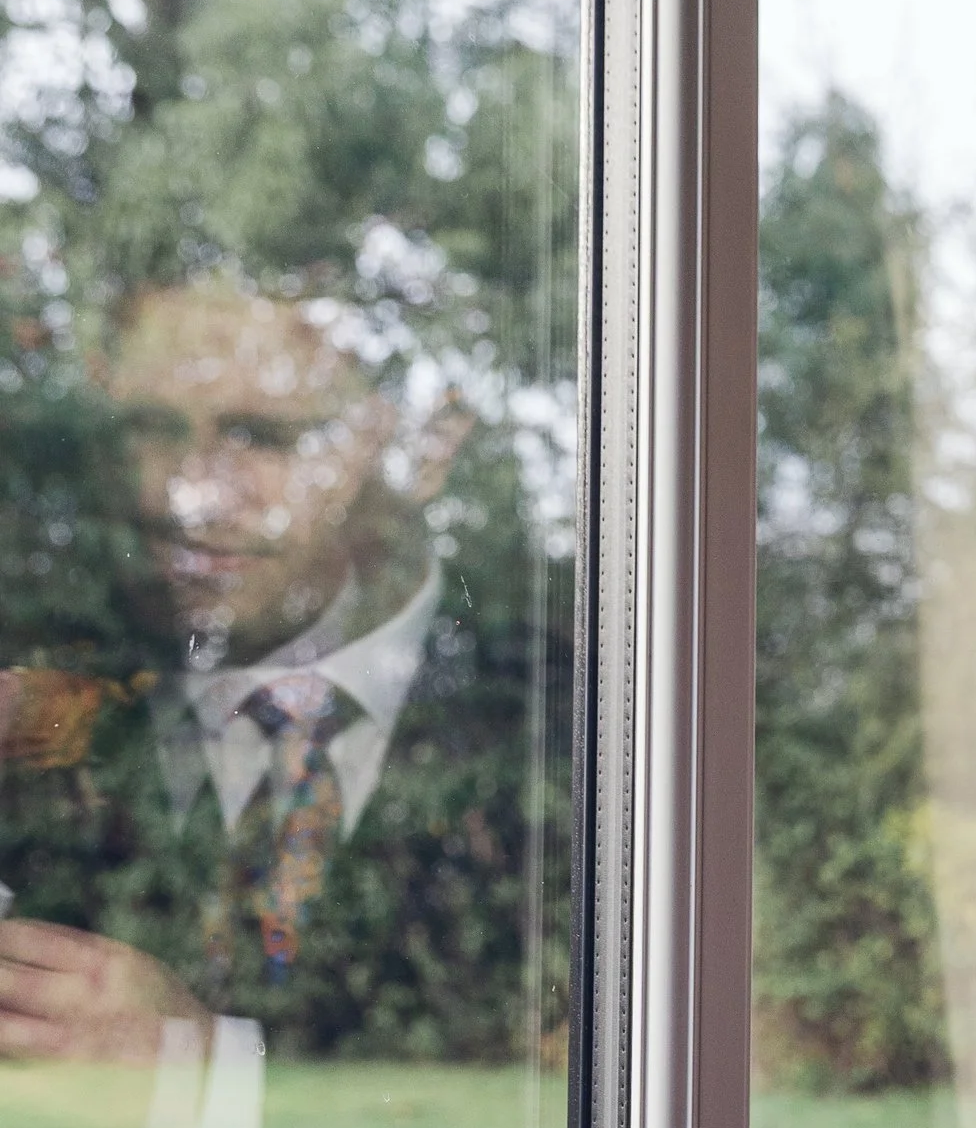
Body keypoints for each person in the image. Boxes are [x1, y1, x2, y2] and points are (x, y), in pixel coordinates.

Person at [0, 274, 560, 1065]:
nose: (186, 497)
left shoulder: (586, 726)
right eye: (152, 430)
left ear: (408, 443)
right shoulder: (56, 691)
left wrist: (199, 1085)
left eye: (260, 437)